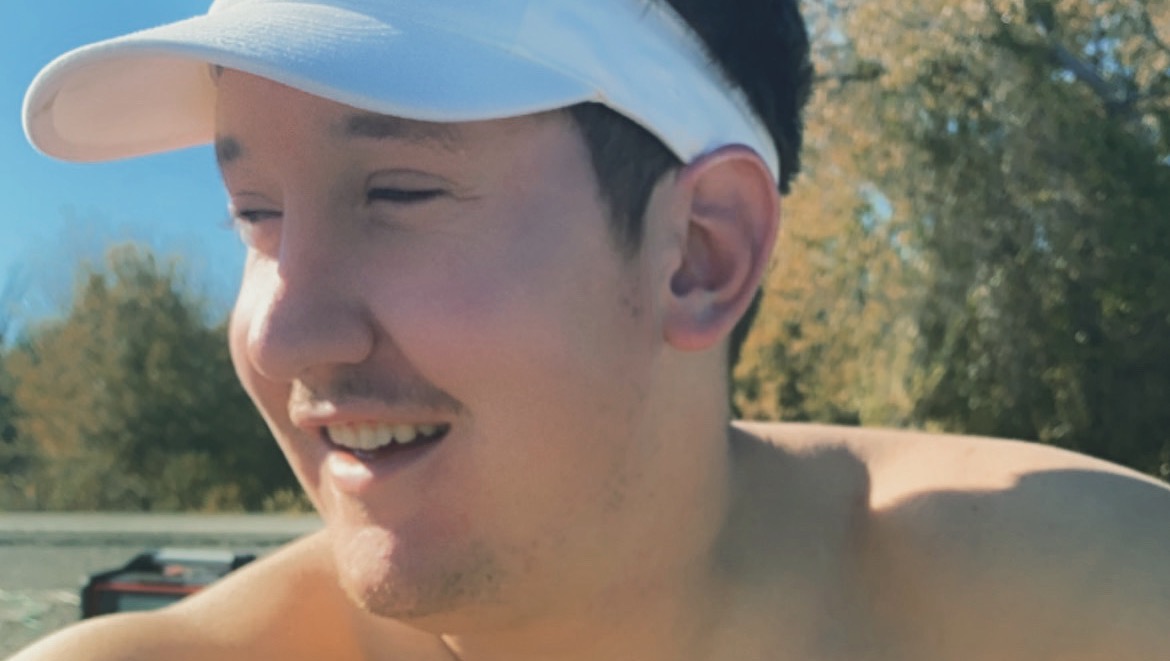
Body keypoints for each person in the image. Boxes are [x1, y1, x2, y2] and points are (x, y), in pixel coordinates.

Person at [13, 1, 1170, 659]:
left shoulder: (1097, 604)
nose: (282, 336)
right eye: (256, 216)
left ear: (701, 251)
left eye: (398, 193)